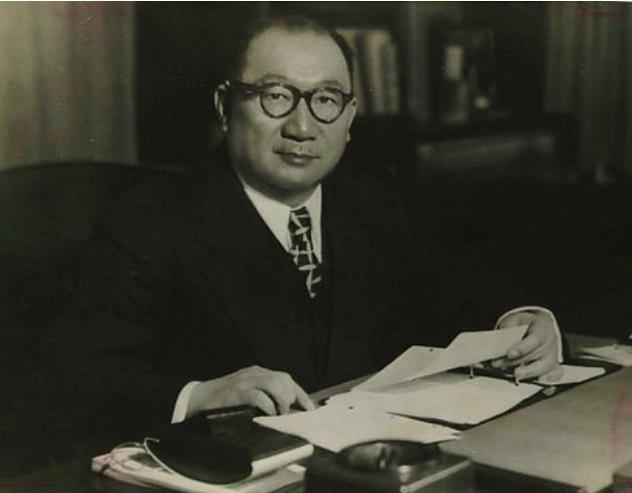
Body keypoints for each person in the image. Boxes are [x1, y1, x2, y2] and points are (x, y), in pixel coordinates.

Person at [49, 15, 561, 441]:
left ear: (350, 118)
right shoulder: (147, 223)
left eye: (326, 99)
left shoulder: (371, 205)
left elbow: (451, 293)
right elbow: (74, 382)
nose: (302, 127)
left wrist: (521, 321)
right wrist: (197, 396)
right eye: (276, 96)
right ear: (225, 107)